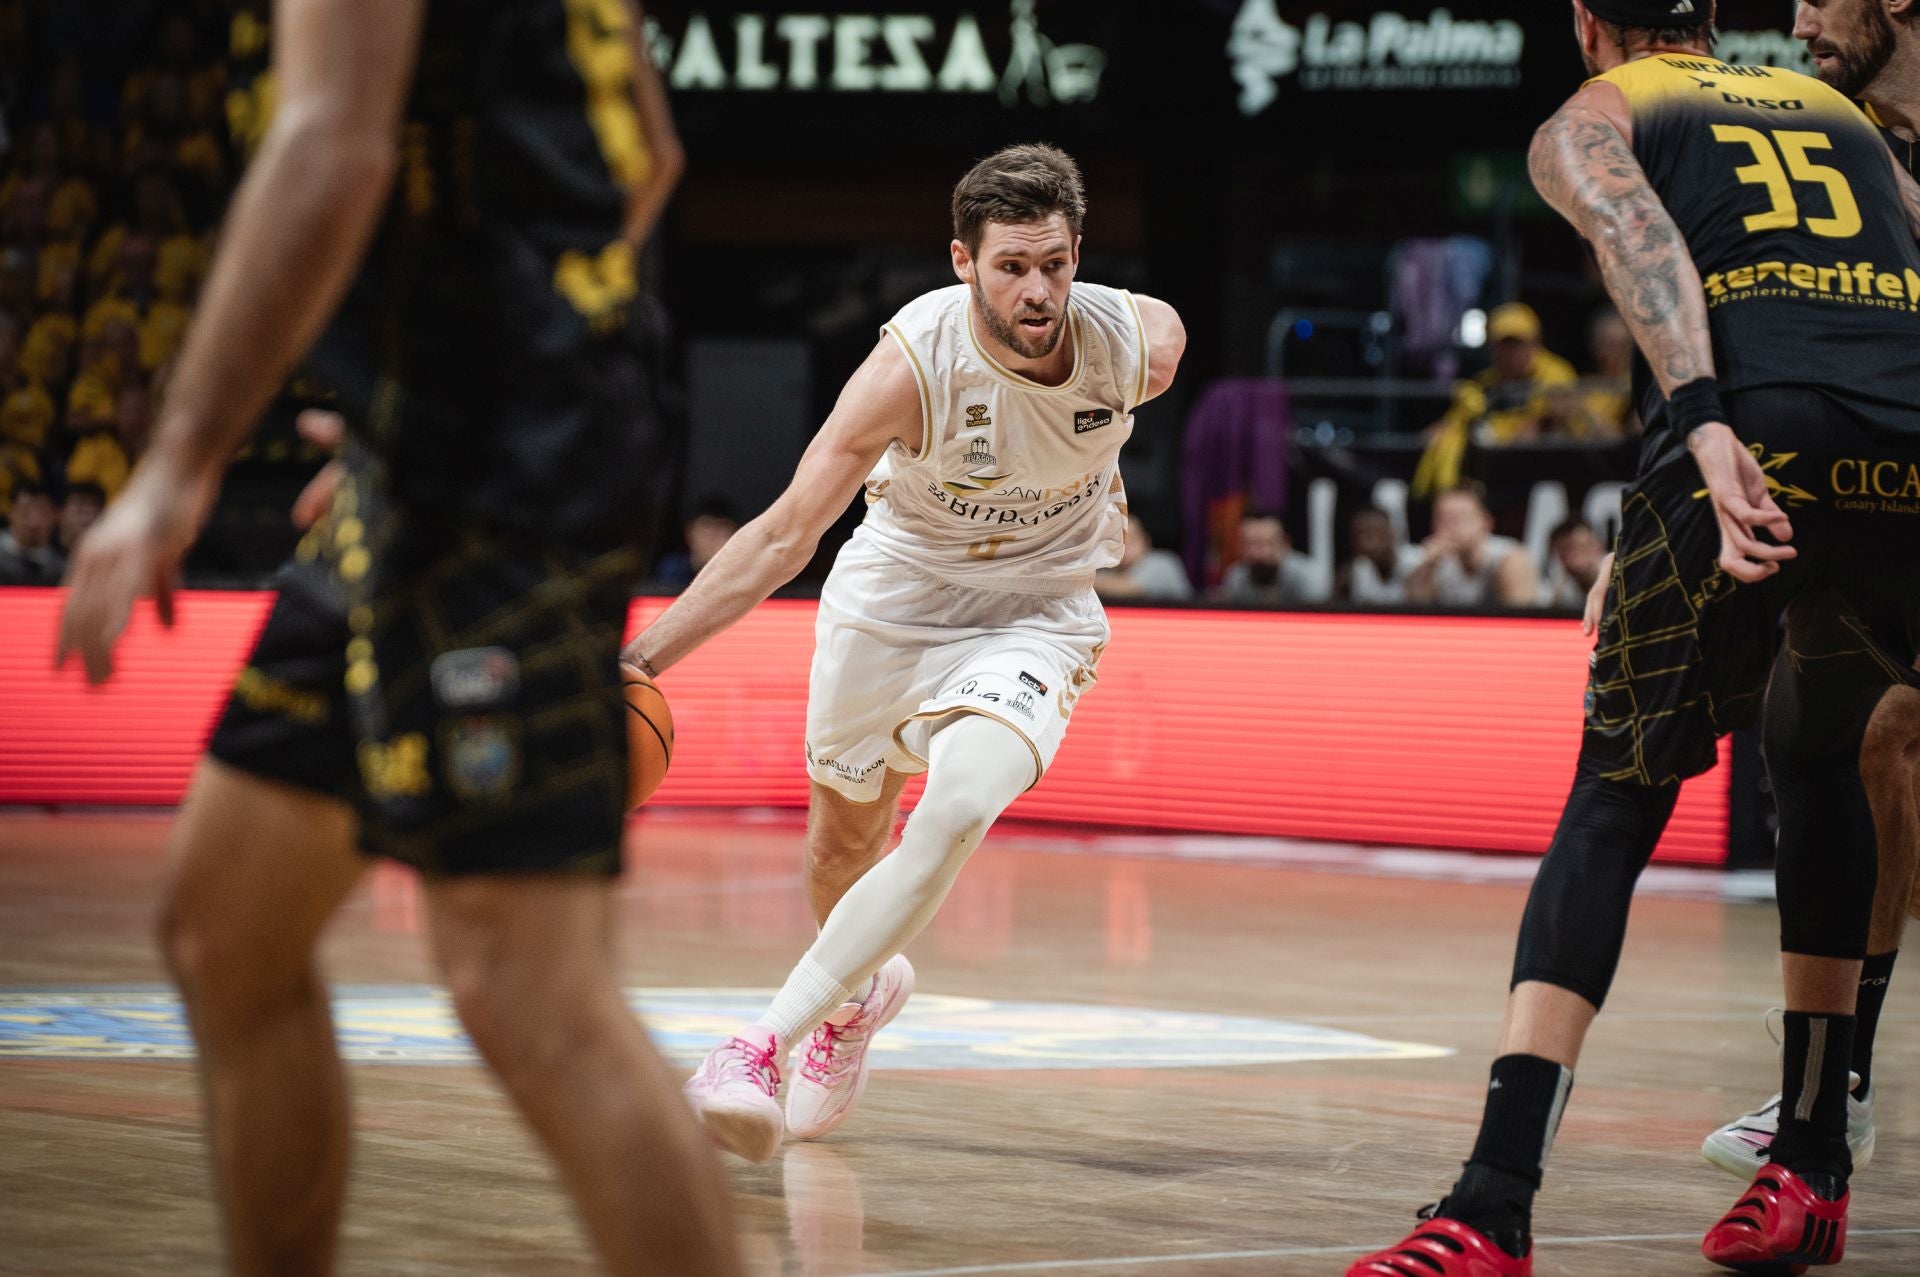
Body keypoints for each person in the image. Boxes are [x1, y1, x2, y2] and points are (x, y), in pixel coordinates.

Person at [54, 4, 738, 1275]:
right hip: (452, 441)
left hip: (497, 459)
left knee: (526, 987)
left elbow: (332, 142)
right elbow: (649, 153)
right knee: (226, 925)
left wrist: (180, 463)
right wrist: (428, 393)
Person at [1351, 5, 1920, 1275]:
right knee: (1818, 754)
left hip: (1758, 437)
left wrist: (1707, 429)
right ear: (1717, 19)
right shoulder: (1848, 122)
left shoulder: (1598, 115)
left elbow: (1635, 237)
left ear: (1585, 21)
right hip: (1908, 449)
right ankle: (1813, 1170)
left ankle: (1492, 1201)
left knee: (1615, 794)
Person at [623, 143, 1185, 1163]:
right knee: (844, 847)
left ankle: (755, 1045)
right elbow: (787, 533)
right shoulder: (909, 365)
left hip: (1037, 614)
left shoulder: (1141, 345)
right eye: (1011, 264)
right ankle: (855, 998)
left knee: (961, 803)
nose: (1038, 288)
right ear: (962, 260)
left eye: (1055, 262)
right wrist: (645, 657)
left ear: (1078, 255)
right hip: (893, 605)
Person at [1701, 0, 1920, 1186]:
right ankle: (1838, 1085)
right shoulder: (1828, 140)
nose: (1794, 18)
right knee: (1866, 732)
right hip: (1881, 486)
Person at [1413, 302, 1579, 496]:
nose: (1510, 353)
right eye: (1504, 344)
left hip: (1539, 470)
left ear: (1535, 342)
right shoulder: (1484, 381)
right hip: (1493, 467)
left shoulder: (1556, 373)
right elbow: (1455, 421)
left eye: (1517, 344)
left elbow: (1539, 427)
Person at [1404, 485, 1540, 609]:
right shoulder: (1432, 561)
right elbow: (1415, 612)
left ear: (1486, 523)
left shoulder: (1509, 557)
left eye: (1460, 518)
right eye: (1442, 518)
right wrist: (1427, 568)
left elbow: (1520, 616)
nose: (1451, 526)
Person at [1211, 508, 1320, 605]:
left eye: (1268, 543)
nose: (1260, 553)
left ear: (1286, 544)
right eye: (1252, 544)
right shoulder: (1236, 578)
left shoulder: (1306, 577)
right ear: (1241, 547)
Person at [1335, 506, 1423, 605]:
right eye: (1360, 535)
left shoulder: (1416, 561)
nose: (1367, 544)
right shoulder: (1356, 571)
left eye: (1373, 535)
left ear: (1391, 534)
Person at [650, 496, 741, 590]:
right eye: (707, 526)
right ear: (690, 532)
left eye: (722, 527)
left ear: (734, 534)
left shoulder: (742, 571)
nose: (713, 535)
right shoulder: (673, 568)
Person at [1097, 514, 1193, 602]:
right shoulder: (1108, 568)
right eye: (1117, 541)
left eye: (1132, 540)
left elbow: (1131, 589)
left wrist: (1085, 582)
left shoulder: (1162, 562)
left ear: (1146, 540)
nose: (1125, 547)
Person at [0, 479, 63, 584]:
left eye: (42, 514)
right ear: (11, 513)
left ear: (55, 516)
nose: (34, 523)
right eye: (25, 513)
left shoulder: (64, 568)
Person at [1542, 517, 1605, 610]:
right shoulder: (1564, 591)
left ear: (1599, 545)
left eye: (1583, 548)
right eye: (1565, 550)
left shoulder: (1622, 579)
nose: (1575, 558)